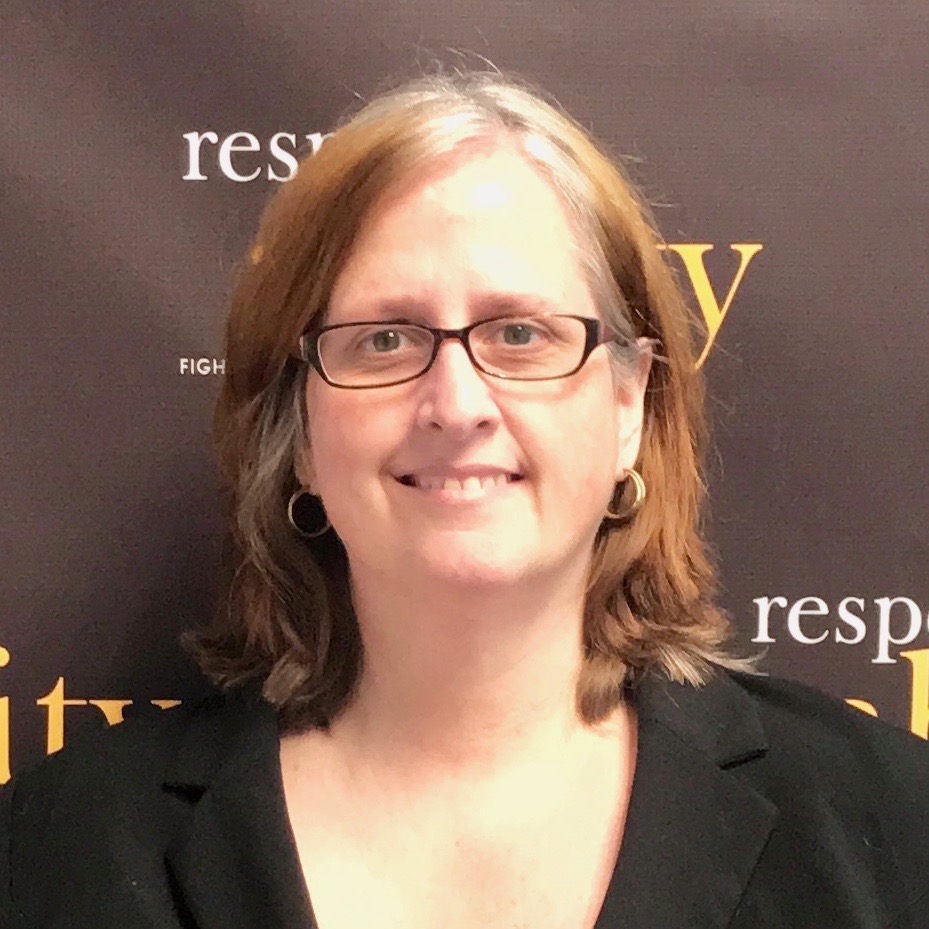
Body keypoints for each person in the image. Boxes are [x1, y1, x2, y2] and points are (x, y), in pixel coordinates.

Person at [2, 71, 928, 929]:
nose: (454, 403)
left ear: (625, 407)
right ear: (301, 434)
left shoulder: (886, 824)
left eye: (520, 333)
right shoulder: (57, 851)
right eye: (384, 340)